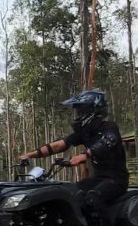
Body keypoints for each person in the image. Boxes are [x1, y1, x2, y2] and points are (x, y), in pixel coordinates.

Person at [18, 89, 129, 226]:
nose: (79, 114)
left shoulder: (109, 127)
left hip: (116, 179)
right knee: (70, 195)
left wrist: (85, 155)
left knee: (93, 199)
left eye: (82, 110)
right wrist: (31, 154)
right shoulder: (84, 132)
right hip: (98, 177)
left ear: (93, 110)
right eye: (78, 111)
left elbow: (108, 141)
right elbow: (60, 145)